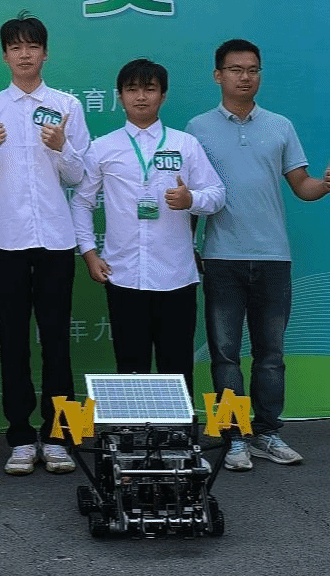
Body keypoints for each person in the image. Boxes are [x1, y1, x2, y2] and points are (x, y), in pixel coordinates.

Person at [186, 40, 330, 472]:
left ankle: (267, 433)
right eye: (235, 69)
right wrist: (189, 247)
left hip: (273, 257)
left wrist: (325, 185)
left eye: (253, 69)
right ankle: (233, 437)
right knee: (224, 355)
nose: (245, 77)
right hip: (221, 258)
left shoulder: (280, 126)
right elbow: (194, 195)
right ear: (218, 75)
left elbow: (302, 186)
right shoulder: (197, 129)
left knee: (270, 354)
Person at [0, 13, 91, 475]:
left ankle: (59, 437)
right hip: (6, 240)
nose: (24, 54)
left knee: (56, 340)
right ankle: (20, 437)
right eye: (15, 47)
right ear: (4, 56)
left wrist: (62, 147)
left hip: (55, 239)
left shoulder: (67, 105)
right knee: (13, 341)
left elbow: (78, 175)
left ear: (45, 52)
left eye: (32, 46)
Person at [70, 58, 225, 396]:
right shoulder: (102, 147)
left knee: (176, 364)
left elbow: (217, 194)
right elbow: (81, 203)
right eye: (132, 90)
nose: (141, 97)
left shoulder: (185, 144)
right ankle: (133, 428)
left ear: (163, 96)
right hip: (123, 273)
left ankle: (177, 429)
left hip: (175, 275)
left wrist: (191, 199)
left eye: (149, 89)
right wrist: (89, 253)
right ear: (120, 97)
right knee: (130, 363)